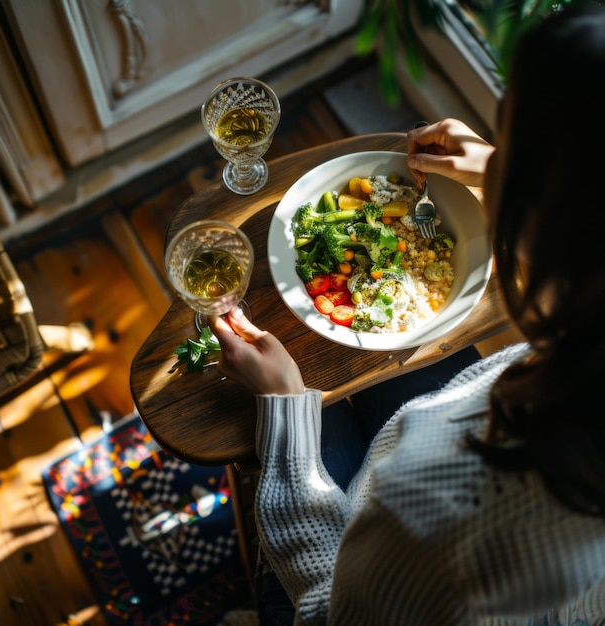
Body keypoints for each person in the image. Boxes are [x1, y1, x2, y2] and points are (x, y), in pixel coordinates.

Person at [209, 4, 605, 624]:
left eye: (512, 144)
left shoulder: (447, 516)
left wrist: (285, 411)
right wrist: (505, 170)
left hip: (338, 576)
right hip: (415, 486)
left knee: (271, 398)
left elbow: (327, 610)